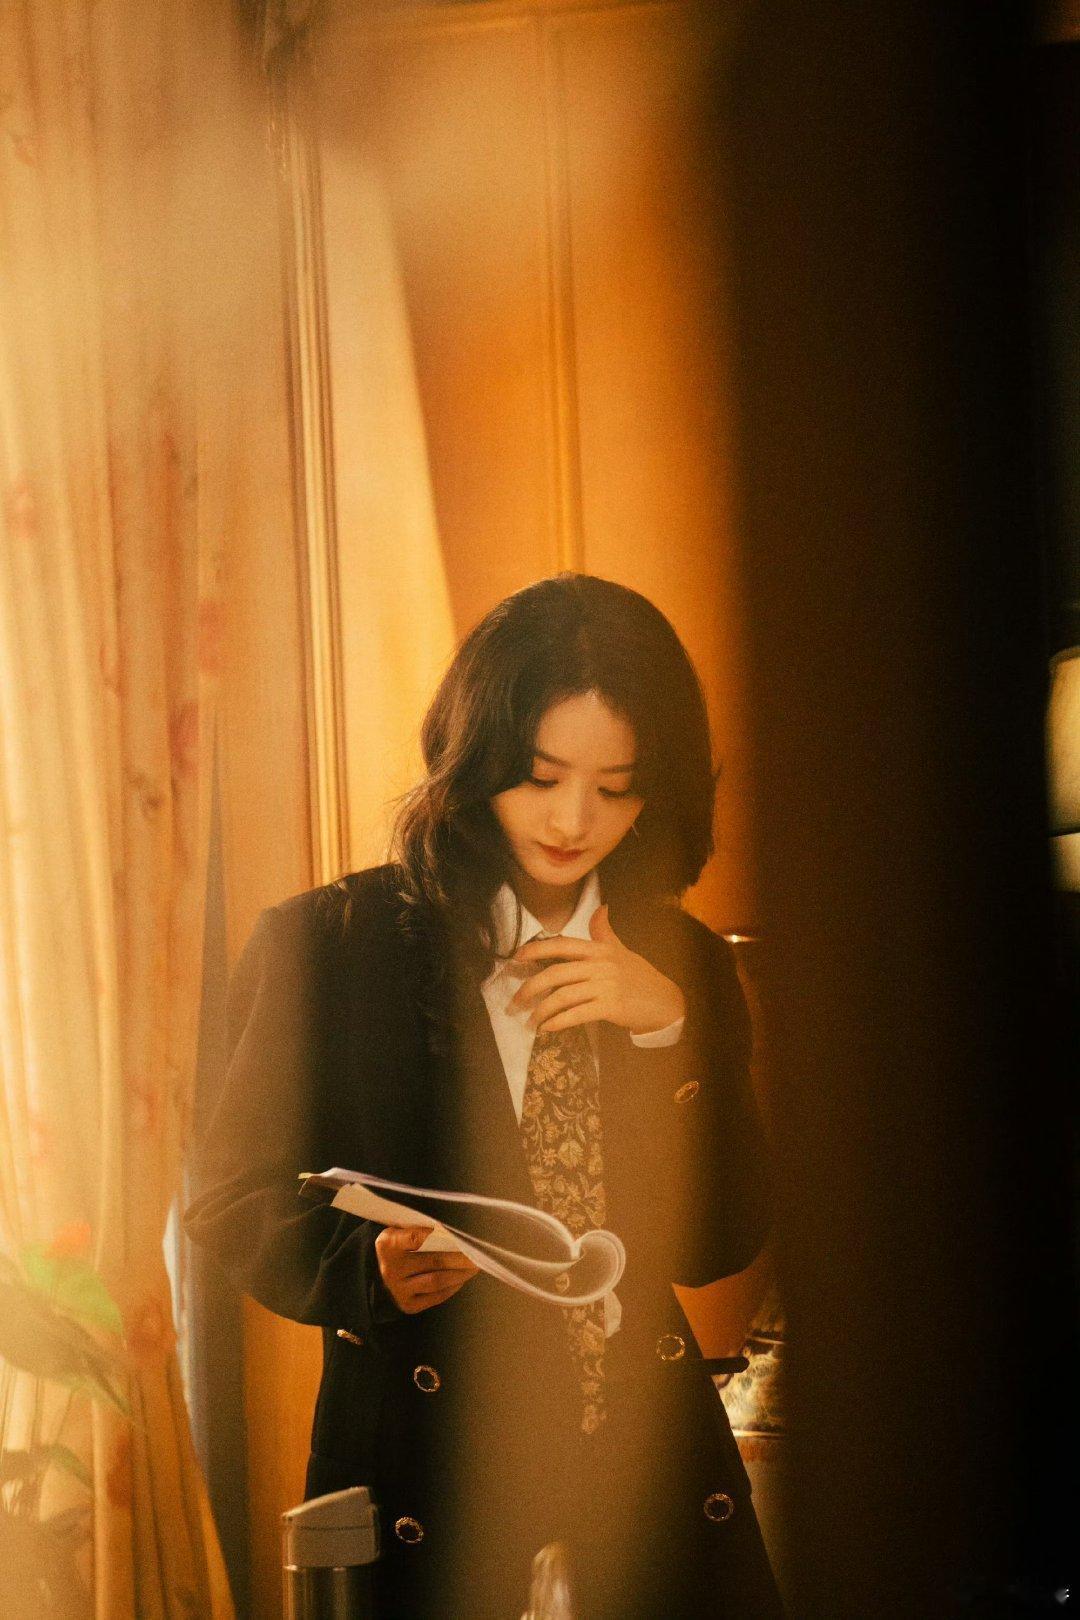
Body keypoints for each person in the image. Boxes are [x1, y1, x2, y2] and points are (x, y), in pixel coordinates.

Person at [185, 573, 783, 1618]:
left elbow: (720, 1242)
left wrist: (666, 1030)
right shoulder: (332, 946)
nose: (573, 819)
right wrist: (364, 1270)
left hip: (647, 1477)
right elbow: (230, 1199)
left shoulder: (682, 965)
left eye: (617, 787)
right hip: (426, 1466)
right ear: (474, 757)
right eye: (541, 776)